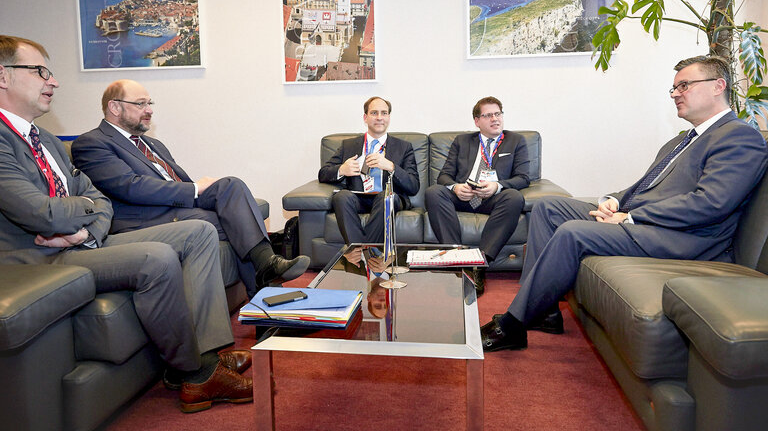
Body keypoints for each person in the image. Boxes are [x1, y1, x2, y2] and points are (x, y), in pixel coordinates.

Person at [0, 35, 253, 412]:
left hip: (77, 242)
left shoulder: (47, 139)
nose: (53, 81)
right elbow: (42, 214)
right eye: (40, 71)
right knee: (157, 258)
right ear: (3, 76)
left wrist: (88, 230)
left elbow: (98, 200)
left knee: (199, 231)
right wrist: (85, 209)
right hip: (35, 257)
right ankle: (196, 374)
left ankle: (207, 352)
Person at [481, 55, 768, 352]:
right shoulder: (681, 141)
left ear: (718, 86)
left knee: (573, 232)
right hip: (650, 223)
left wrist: (632, 217)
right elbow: (645, 186)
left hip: (687, 238)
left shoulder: (739, 137)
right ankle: (546, 310)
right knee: (548, 207)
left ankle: (515, 324)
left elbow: (711, 203)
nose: (675, 94)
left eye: (684, 85)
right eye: (673, 88)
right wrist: (614, 201)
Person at [71, 79, 309, 297]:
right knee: (232, 220)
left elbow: (170, 181)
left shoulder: (152, 143)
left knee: (230, 185)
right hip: (142, 218)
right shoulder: (92, 143)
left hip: (174, 206)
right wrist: (194, 188)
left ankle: (267, 266)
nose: (150, 110)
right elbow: (130, 187)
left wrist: (198, 188)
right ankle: (269, 291)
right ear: (114, 107)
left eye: (149, 103)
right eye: (141, 104)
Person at [424, 96, 529, 293]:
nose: (495, 119)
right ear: (477, 121)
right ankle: (457, 257)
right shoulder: (462, 141)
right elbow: (444, 176)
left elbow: (523, 178)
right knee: (433, 192)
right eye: (488, 115)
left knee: (514, 197)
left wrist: (497, 186)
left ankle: (480, 262)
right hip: (463, 196)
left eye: (498, 114)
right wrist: (455, 187)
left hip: (493, 197)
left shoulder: (516, 141)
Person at [318, 96, 420, 243]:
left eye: (384, 113)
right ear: (365, 117)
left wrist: (391, 167)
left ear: (389, 117)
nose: (379, 118)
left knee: (386, 197)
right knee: (341, 196)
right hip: (359, 198)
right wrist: (342, 169)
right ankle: (364, 250)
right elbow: (323, 173)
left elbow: (414, 186)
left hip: (388, 197)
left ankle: (364, 251)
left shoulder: (404, 147)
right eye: (374, 113)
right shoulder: (349, 145)